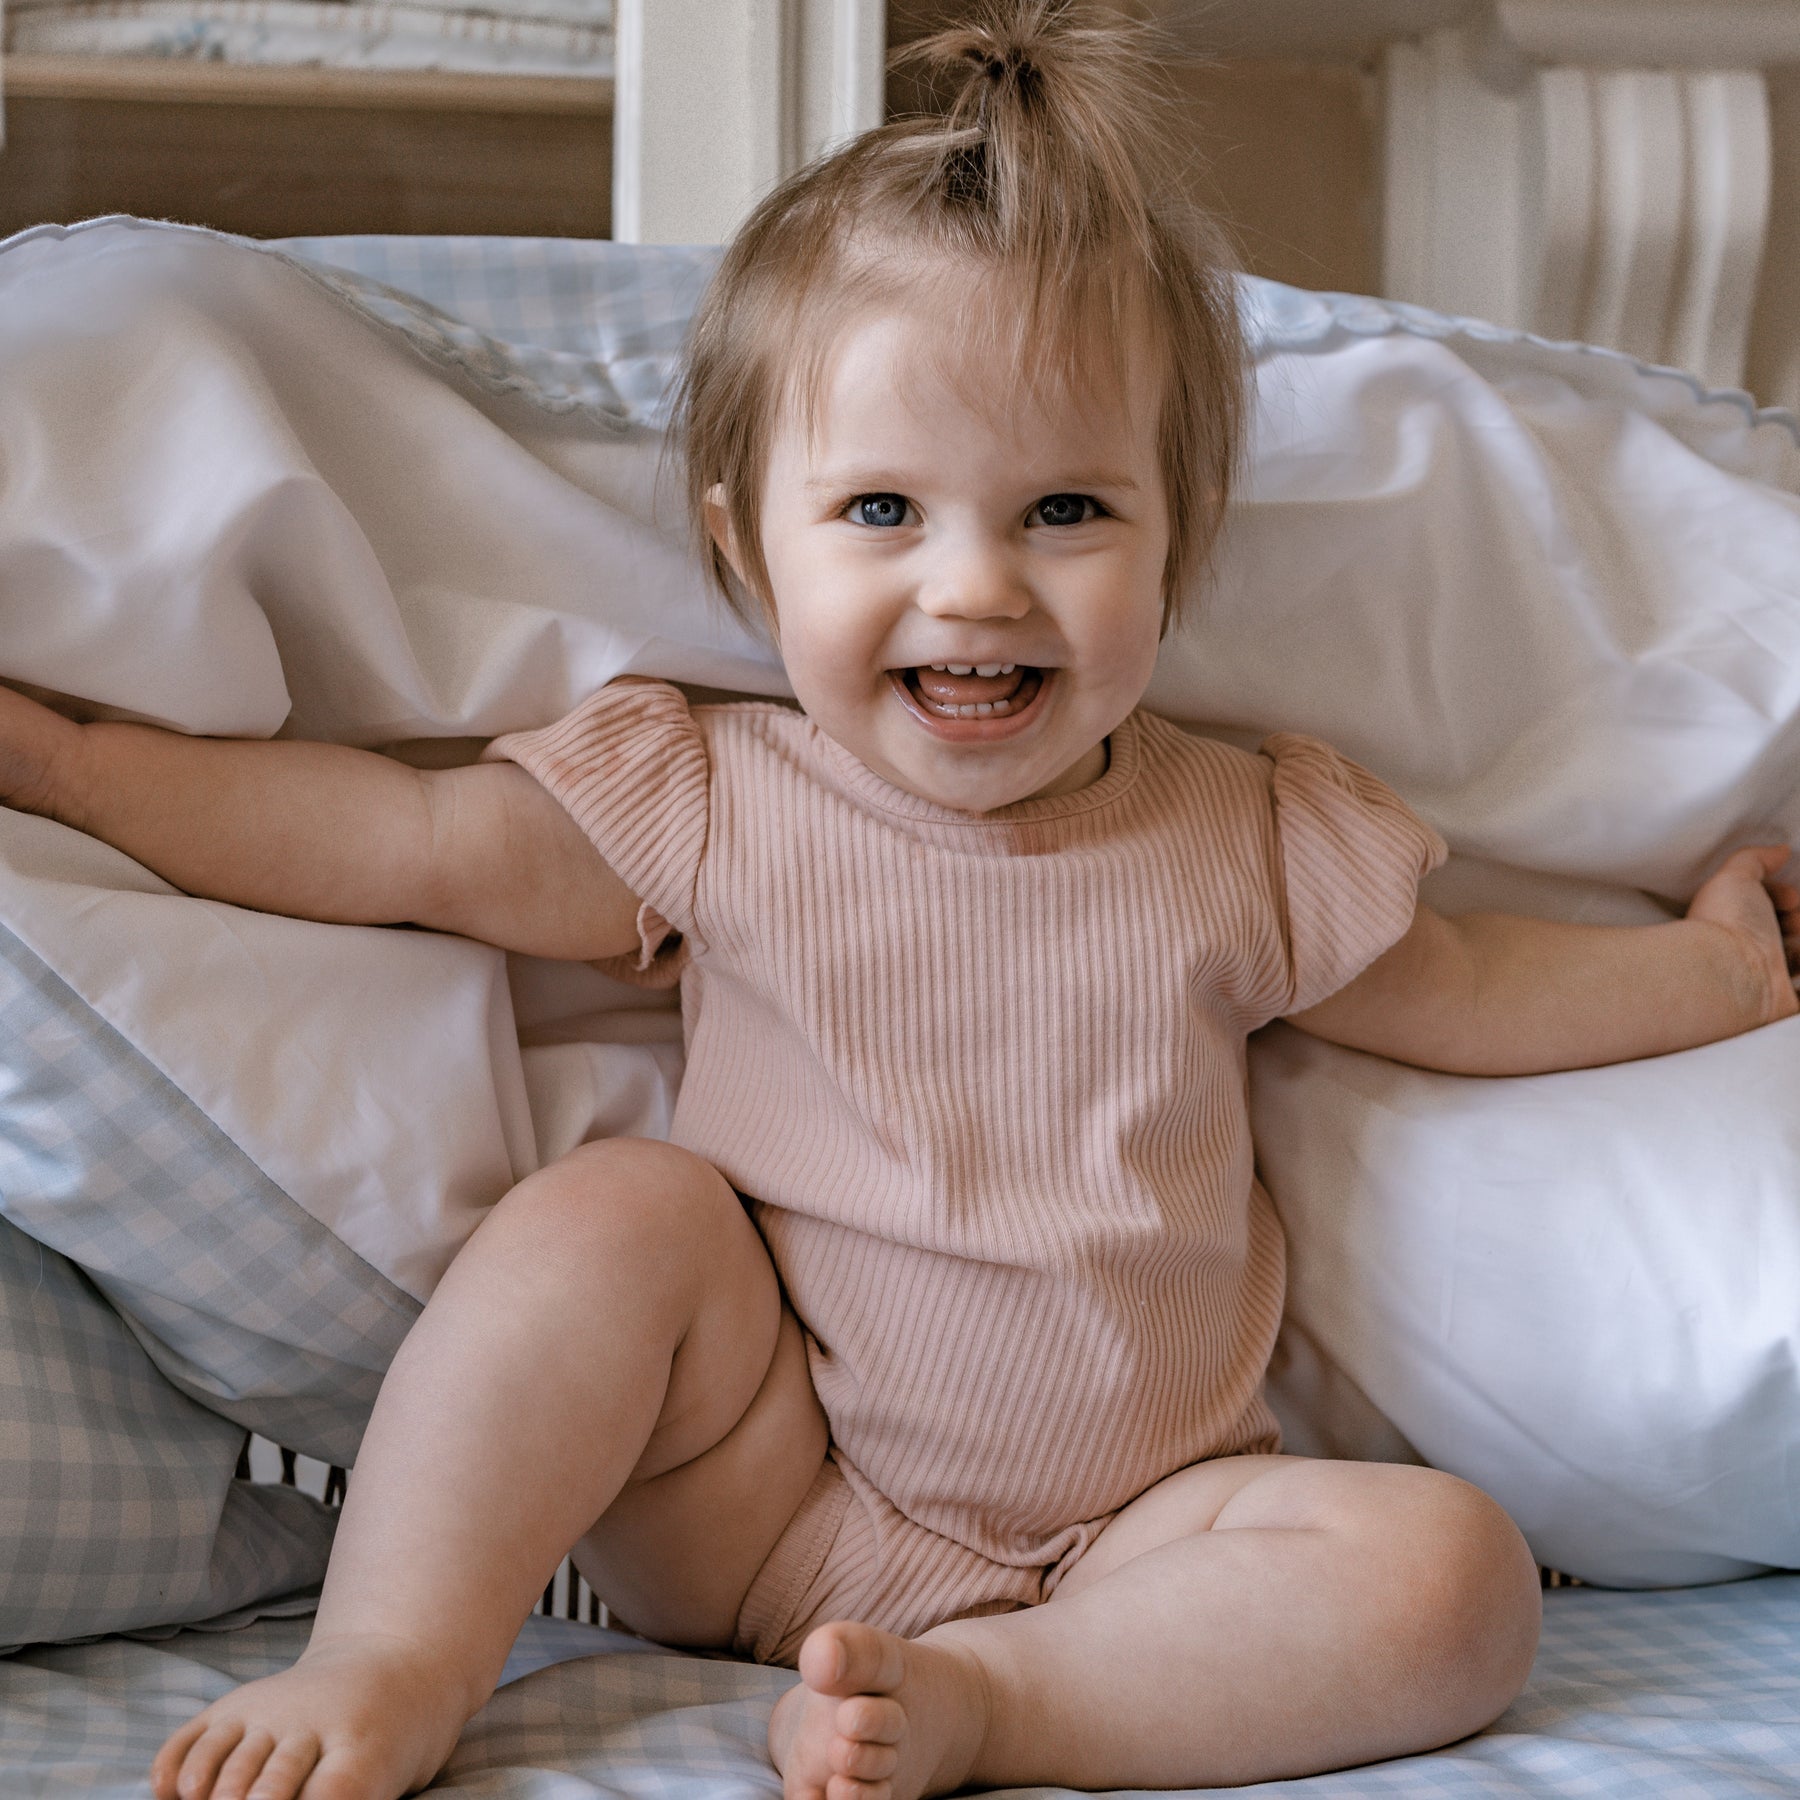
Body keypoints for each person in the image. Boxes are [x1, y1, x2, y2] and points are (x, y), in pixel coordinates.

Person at [0, 5, 1791, 1797]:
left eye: (1068, 509)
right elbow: (400, 841)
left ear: (1183, 537)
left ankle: (999, 1705)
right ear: (740, 549)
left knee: (1453, 1579)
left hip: (1151, 1529)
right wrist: (81, 776)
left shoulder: (1244, 831)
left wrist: (1719, 972)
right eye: (879, 510)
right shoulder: (718, 793)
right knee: (620, 1217)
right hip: (769, 1479)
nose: (976, 585)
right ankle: (393, 1656)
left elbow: (1469, 987)